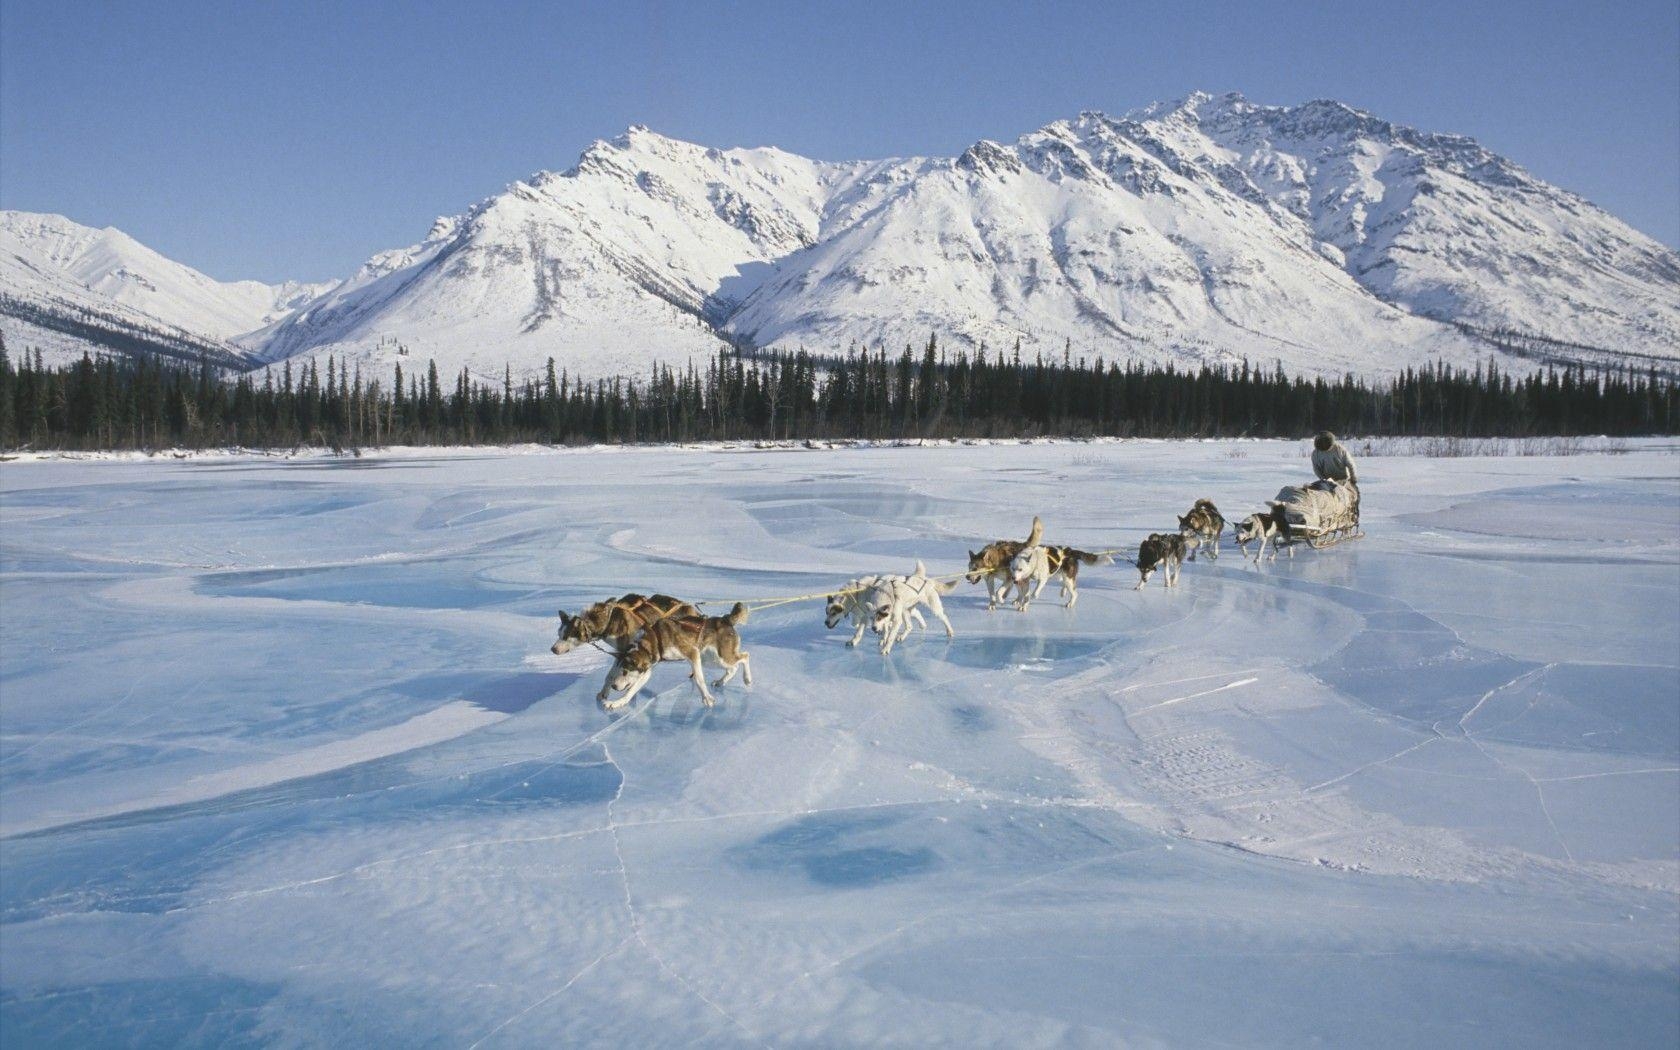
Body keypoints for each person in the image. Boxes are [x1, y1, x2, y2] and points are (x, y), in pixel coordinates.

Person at [1310, 430, 1359, 523]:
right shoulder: (1316, 454)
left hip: (1344, 479)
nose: (1324, 446)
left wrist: (1353, 478)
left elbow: (1350, 464)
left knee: (1354, 495)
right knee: (1325, 498)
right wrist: (1324, 480)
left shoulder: (1340, 449)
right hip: (1327, 481)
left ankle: (1354, 516)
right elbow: (1316, 469)